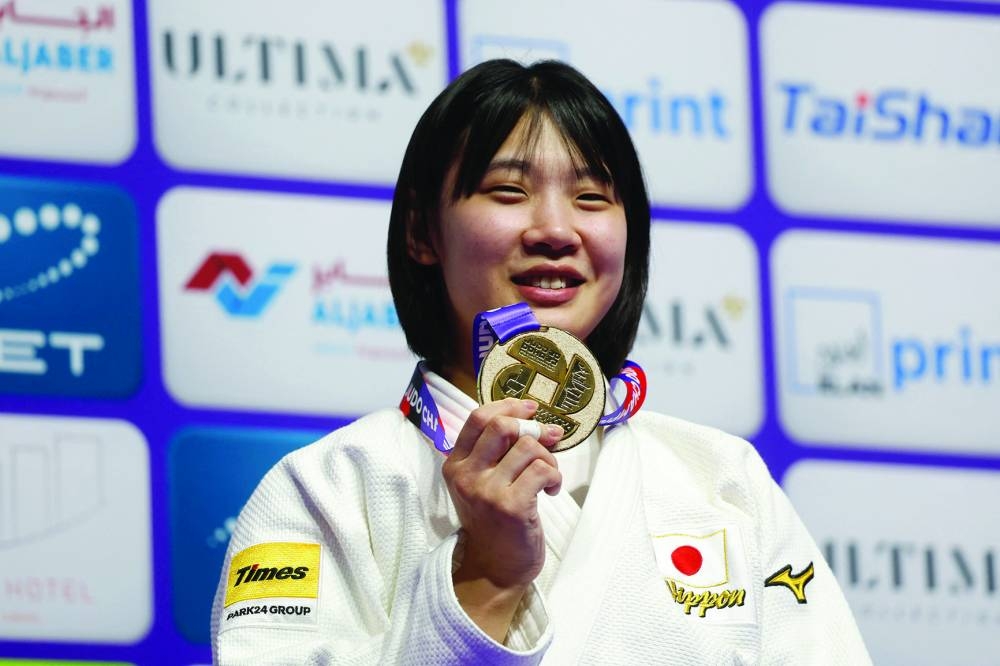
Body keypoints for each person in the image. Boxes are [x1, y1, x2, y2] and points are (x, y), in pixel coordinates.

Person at [211, 59, 871, 664]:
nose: (556, 230)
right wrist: (484, 580)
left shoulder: (722, 480)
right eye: (506, 191)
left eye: (591, 198)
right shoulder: (328, 489)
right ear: (421, 231)